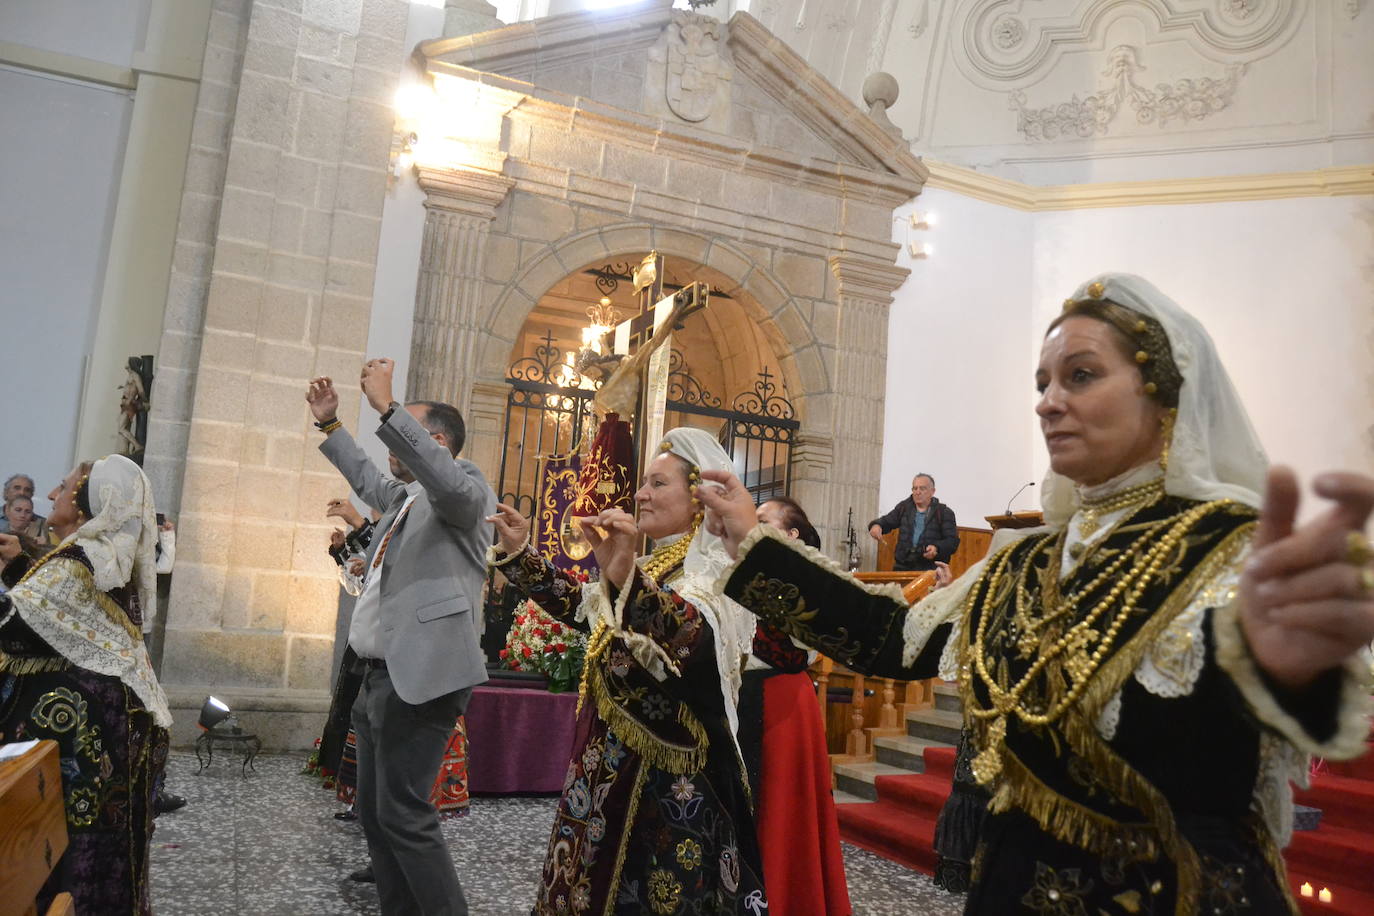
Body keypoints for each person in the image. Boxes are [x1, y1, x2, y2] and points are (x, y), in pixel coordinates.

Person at [700, 273, 1374, 915]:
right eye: (1044, 382)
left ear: (1163, 393)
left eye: (1081, 375)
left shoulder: (1231, 547)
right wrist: (750, 542)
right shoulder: (1025, 560)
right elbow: (891, 638)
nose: (1048, 401)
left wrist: (1295, 674)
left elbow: (1259, 725)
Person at [486, 427, 774, 914]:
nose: (640, 494)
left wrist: (625, 580)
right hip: (607, 762)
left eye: (658, 484)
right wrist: (521, 555)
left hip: (667, 781)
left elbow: (691, 638)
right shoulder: (659, 562)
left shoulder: (716, 570)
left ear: (701, 499)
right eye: (643, 482)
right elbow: (583, 606)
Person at [306, 358, 495, 916]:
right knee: (377, 812)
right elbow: (368, 479)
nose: (390, 443)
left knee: (406, 815)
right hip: (375, 677)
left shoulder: (464, 492)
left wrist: (388, 407)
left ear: (433, 441)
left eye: (401, 432)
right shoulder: (408, 501)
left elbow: (451, 488)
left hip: (420, 676)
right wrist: (330, 426)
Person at [0, 455, 172, 915]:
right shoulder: (97, 560)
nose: (53, 496)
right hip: (107, 732)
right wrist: (17, 566)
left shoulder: (77, 564)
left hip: (84, 740)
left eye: (63, 487)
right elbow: (55, 626)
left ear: (85, 507)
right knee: (103, 856)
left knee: (71, 860)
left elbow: (19, 628)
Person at [746, 496, 852, 915]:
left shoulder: (808, 580)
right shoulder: (743, 572)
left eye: (763, 521)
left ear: (791, 534)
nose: (752, 527)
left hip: (782, 701)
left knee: (781, 812)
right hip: (747, 697)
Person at [869, 473, 959, 571]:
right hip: (902, 567)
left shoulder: (944, 512)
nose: (918, 492)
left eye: (922, 488)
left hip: (930, 570)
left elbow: (952, 542)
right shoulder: (904, 507)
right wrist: (876, 525)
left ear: (932, 491)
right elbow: (886, 521)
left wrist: (936, 548)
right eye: (915, 488)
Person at [1, 473, 50, 542]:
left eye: (27, 490)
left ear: (32, 495)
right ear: (6, 492)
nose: (22, 492)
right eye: (17, 488)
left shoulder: (42, 523)